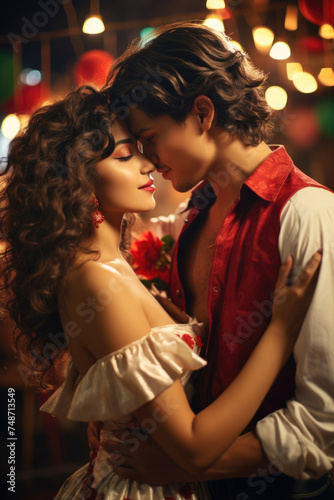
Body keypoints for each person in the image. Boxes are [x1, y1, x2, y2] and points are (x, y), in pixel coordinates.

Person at [0, 85, 322, 500]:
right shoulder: (98, 280)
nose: (148, 164)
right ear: (78, 180)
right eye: (123, 156)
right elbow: (195, 448)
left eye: (143, 148)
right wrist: (280, 333)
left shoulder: (110, 265)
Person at [99, 21, 334, 499]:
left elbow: (324, 422)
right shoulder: (191, 217)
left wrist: (187, 464)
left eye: (149, 137)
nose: (146, 158)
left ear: (202, 112)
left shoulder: (309, 214)